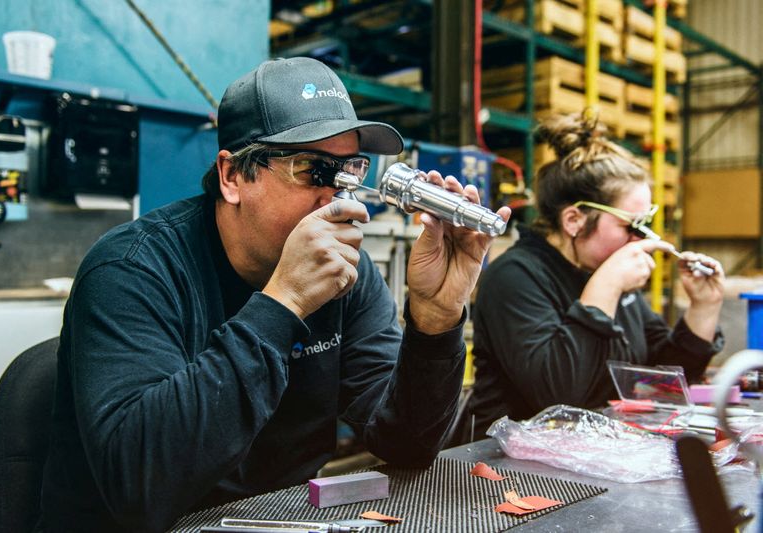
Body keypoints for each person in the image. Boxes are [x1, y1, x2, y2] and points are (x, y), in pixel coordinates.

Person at [36, 57, 511, 533]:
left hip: (284, 522)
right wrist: (283, 302)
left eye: (350, 169)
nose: (339, 197)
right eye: (313, 169)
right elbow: (139, 487)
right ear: (233, 176)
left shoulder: (348, 274)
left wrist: (434, 319)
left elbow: (406, 443)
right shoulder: (132, 270)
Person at [467, 113, 724, 439]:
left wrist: (704, 308)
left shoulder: (602, 268)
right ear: (573, 220)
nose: (641, 240)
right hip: (507, 464)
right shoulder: (514, 277)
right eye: (631, 226)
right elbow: (559, 396)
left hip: (594, 455)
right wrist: (607, 286)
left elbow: (660, 382)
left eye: (646, 224)